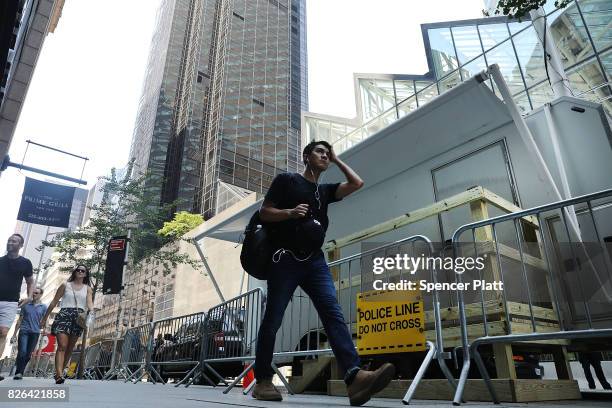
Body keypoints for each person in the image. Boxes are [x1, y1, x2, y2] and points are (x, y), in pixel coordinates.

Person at [252, 141, 395, 406]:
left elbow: (357, 183)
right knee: (273, 318)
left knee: (332, 312)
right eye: (319, 152)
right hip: (285, 260)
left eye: (327, 153)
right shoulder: (287, 180)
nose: (324, 156)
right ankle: (262, 381)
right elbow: (264, 213)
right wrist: (289, 212)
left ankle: (355, 378)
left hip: (315, 262)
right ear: (306, 156)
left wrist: (338, 160)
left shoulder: (325, 191)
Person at [40, 265, 93, 384]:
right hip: (64, 315)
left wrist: (92, 311)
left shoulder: (88, 288)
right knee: (62, 345)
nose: (80, 272)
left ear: (85, 274)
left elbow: (89, 303)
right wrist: (45, 318)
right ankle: (59, 375)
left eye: (82, 270)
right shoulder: (65, 285)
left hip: (79, 318)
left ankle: (60, 371)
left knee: (69, 348)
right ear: (74, 272)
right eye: (78, 270)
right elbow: (54, 301)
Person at [0, 234, 34, 382]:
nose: (10, 243)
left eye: (14, 241)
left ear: (20, 245)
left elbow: (30, 281)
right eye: (9, 240)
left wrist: (29, 296)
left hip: (11, 302)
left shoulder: (25, 263)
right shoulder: (0, 261)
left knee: (3, 332)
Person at [11, 287, 48, 379]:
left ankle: (20, 369)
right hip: (24, 331)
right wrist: (14, 334)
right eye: (33, 293)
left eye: (36, 293)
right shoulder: (26, 305)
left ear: (40, 295)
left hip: (35, 332)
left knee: (28, 354)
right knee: (22, 352)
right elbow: (20, 320)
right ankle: (19, 372)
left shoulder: (43, 307)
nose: (34, 294)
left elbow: (45, 319)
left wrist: (45, 329)